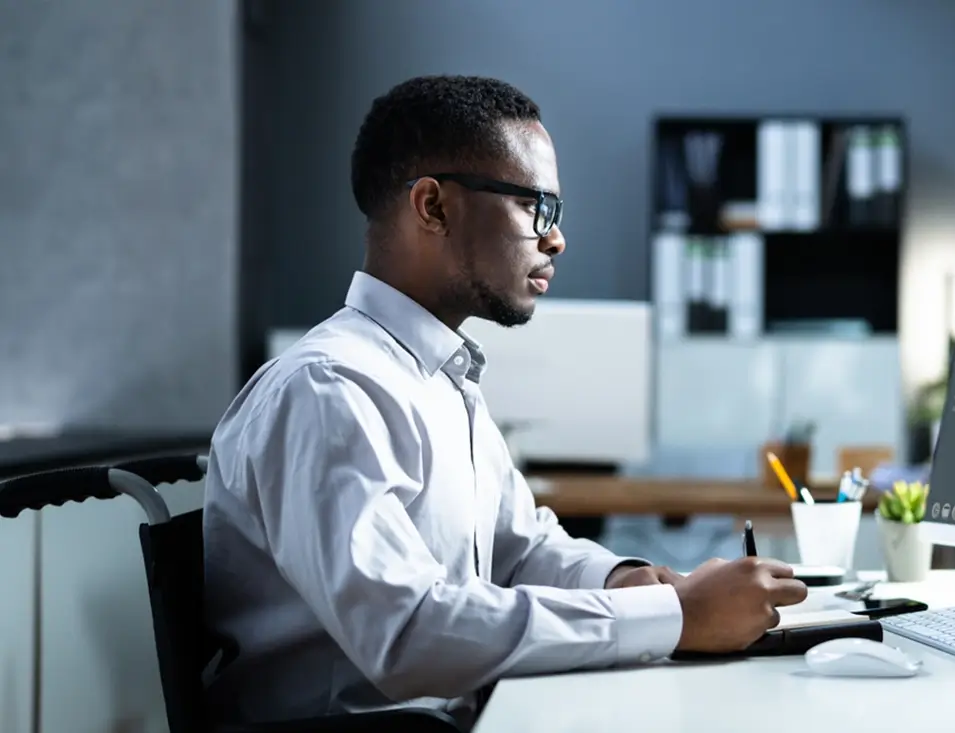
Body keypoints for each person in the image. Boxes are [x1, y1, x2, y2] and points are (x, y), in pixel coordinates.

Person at [201, 74, 809, 728]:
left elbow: (519, 548)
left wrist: (629, 581)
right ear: (433, 207)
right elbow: (406, 634)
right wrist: (677, 616)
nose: (557, 239)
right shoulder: (329, 390)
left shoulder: (441, 377)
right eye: (534, 207)